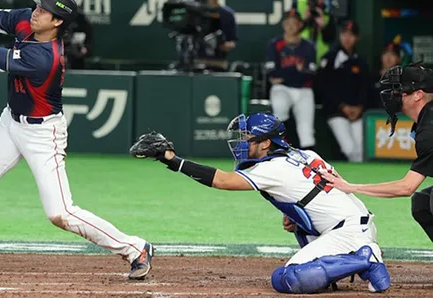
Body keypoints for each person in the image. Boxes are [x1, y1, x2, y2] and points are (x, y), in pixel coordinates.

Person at [0, 0, 153, 281]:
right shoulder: (26, 20)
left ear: (57, 22)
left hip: (43, 134)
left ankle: (135, 248)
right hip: (10, 122)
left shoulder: (46, 57)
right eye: (37, 6)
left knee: (60, 214)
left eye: (43, 10)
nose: (36, 12)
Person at [129, 113, 390, 294]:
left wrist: (173, 160)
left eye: (247, 138)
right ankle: (362, 262)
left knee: (286, 278)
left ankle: (365, 259)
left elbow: (223, 181)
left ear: (266, 142)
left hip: (346, 233)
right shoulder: (306, 154)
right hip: (360, 224)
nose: (242, 142)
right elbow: (330, 189)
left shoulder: (272, 168)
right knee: (297, 225)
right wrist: (297, 212)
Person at [321, 63, 433, 242]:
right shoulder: (425, 119)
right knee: (422, 203)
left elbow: (407, 187)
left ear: (418, 95)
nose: (393, 95)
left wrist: (351, 187)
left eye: (400, 91)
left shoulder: (429, 129)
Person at [316, 21, 369, 163]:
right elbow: (324, 87)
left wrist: (359, 107)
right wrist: (342, 106)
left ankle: (361, 176)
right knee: (349, 149)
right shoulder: (329, 58)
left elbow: (365, 88)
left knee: (362, 151)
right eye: (344, 34)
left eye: (351, 35)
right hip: (336, 112)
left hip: (357, 113)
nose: (347, 38)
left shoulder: (361, 62)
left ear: (357, 38)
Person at [266, 9, 317, 149]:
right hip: (282, 88)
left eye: (294, 23)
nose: (290, 26)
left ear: (300, 24)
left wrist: (284, 74)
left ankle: (308, 160)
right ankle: (281, 150)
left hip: (304, 90)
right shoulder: (274, 44)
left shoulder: (308, 46)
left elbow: (310, 74)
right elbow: (272, 74)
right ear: (283, 24)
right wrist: (296, 69)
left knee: (307, 132)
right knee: (279, 111)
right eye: (287, 23)